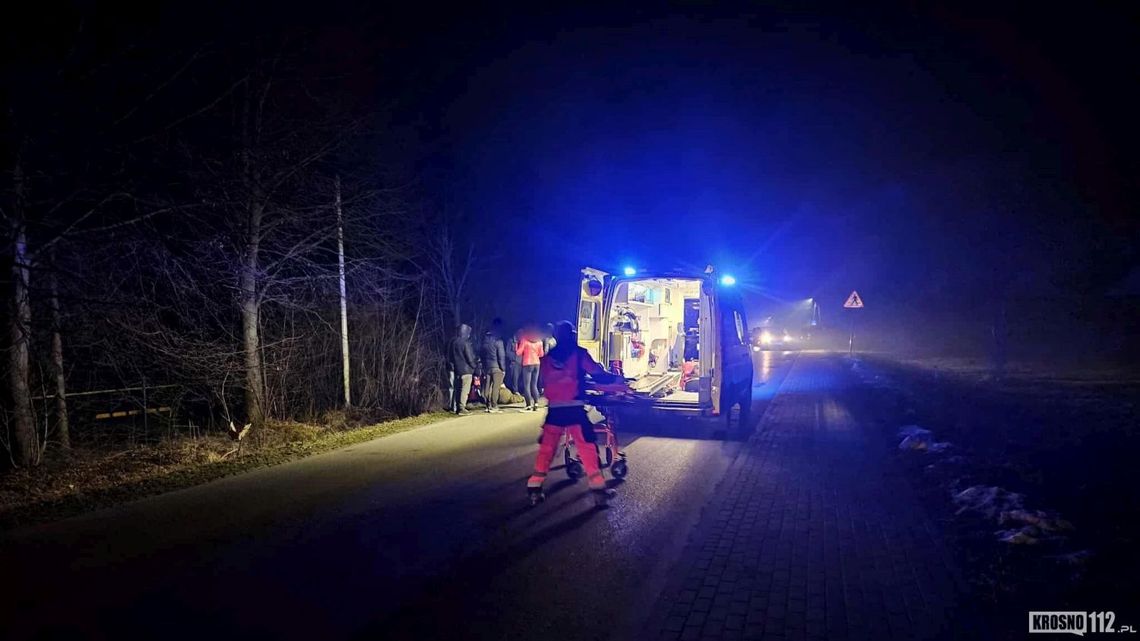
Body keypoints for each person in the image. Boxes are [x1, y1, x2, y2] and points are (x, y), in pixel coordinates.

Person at [527, 321, 625, 506]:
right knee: (587, 448)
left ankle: (534, 487)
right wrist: (616, 378)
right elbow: (597, 373)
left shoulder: (547, 359)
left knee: (547, 449)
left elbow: (547, 383)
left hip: (554, 411)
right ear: (572, 335)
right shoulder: (579, 354)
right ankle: (598, 490)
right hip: (574, 409)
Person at [448, 324, 477, 415]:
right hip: (466, 370)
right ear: (465, 333)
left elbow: (451, 357)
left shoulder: (453, 343)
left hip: (457, 370)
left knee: (458, 389)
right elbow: (469, 358)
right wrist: (474, 366)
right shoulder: (465, 343)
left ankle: (457, 407)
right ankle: (462, 408)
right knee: (465, 390)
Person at [515, 326, 544, 411]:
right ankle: (536, 403)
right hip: (537, 363)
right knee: (534, 384)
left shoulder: (524, 340)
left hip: (527, 363)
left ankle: (528, 405)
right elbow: (541, 354)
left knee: (526, 385)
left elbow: (518, 352)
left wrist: (517, 345)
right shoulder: (539, 341)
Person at [481, 319, 507, 413]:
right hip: (497, 368)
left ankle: (487, 405)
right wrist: (503, 368)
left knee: (487, 387)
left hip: (487, 368)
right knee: (496, 387)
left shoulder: (484, 343)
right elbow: (501, 356)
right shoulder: (498, 342)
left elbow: (482, 356)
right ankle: (494, 406)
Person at [505, 329, 523, 395]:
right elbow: (507, 352)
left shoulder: (522, 341)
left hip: (522, 362)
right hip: (514, 362)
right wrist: (514, 358)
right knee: (514, 378)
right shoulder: (511, 341)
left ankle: (521, 391)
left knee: (521, 378)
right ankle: (515, 391)